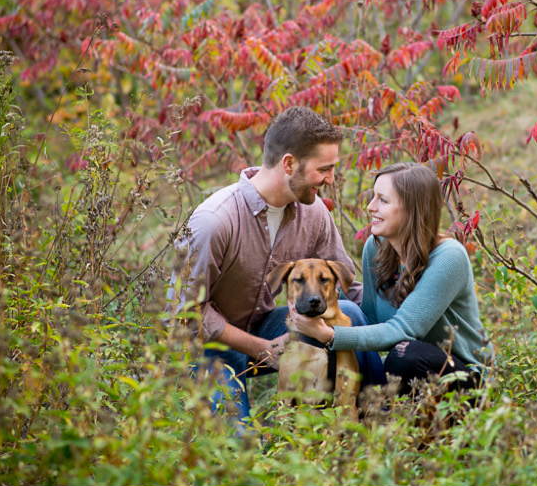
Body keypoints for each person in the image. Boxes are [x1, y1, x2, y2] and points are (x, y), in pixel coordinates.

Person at [170, 106, 385, 424]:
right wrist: (260, 347)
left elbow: (349, 289)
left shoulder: (313, 212)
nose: (330, 179)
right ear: (289, 164)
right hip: (209, 347)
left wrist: (403, 328)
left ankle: (382, 418)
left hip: (276, 329)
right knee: (236, 448)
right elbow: (184, 313)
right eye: (324, 169)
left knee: (349, 314)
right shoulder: (214, 221)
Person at [290, 162, 492, 395]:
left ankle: (396, 419)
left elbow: (405, 330)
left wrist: (330, 335)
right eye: (373, 197)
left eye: (382, 200)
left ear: (413, 209)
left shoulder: (449, 257)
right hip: (404, 371)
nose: (370, 207)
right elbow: (369, 318)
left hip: (463, 377)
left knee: (405, 354)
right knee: (346, 314)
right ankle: (355, 413)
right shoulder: (375, 248)